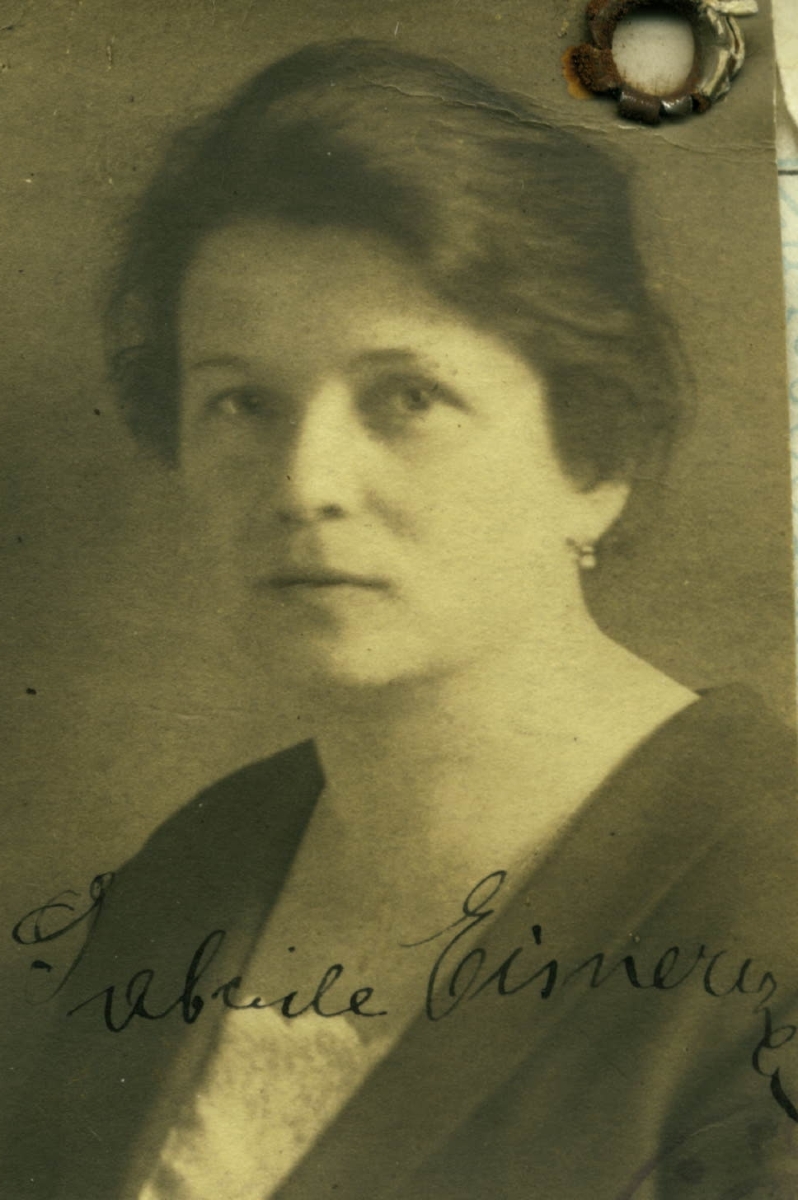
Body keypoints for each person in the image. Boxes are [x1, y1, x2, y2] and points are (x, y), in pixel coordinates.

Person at [6, 39, 798, 1199]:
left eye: (408, 397)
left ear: (595, 456)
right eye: (241, 402)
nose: (303, 483)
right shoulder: (192, 870)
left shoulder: (772, 891)